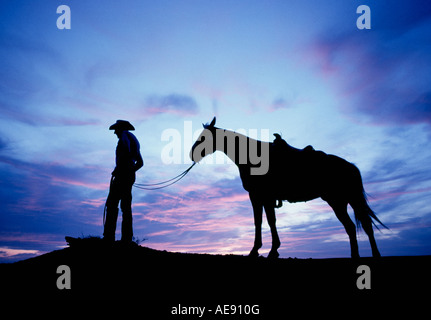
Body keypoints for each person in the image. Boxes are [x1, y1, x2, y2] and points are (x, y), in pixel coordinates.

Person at [103, 120, 143, 243]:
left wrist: (120, 171)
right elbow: (140, 163)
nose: (115, 132)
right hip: (128, 177)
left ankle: (109, 237)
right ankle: (127, 238)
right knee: (126, 207)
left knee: (112, 205)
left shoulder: (124, 139)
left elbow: (125, 157)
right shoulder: (134, 141)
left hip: (122, 177)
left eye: (116, 129)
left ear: (120, 129)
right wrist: (130, 171)